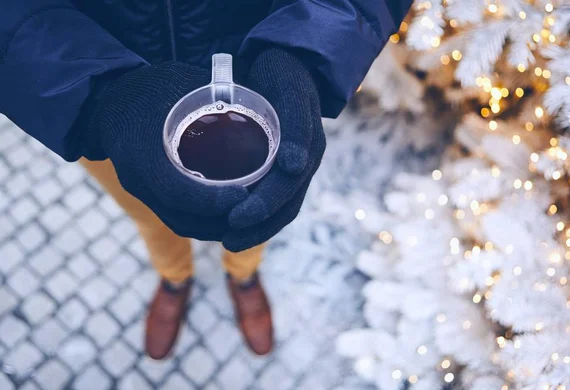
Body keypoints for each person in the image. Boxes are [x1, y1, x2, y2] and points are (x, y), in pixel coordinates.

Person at [1, 0, 412, 360]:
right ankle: (175, 277)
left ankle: (244, 273)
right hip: (110, 91)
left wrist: (303, 45)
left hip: (255, 59)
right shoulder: (103, 104)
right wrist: (96, 94)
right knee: (149, 215)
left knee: (257, 206)